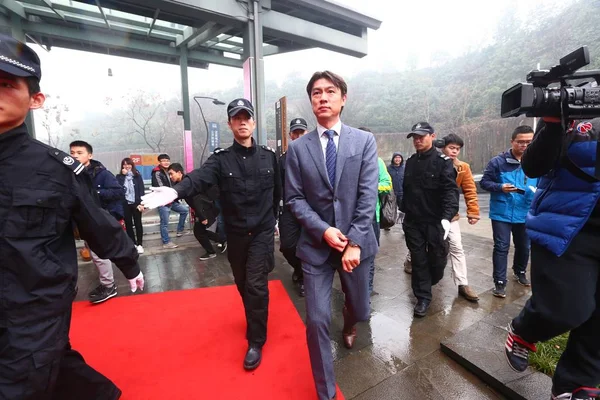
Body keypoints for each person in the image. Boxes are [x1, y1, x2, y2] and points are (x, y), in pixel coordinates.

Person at [0, 34, 144, 399]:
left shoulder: (57, 170)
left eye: (5, 85)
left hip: (33, 313)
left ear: (35, 99)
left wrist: (130, 263)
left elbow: (98, 224)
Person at [142, 98, 280, 371]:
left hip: (262, 232)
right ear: (230, 124)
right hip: (237, 234)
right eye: (236, 118)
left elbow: (278, 192)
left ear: (253, 122)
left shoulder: (269, 157)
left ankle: (256, 339)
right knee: (242, 284)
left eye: (246, 117)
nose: (242, 122)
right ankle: (255, 313)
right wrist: (175, 191)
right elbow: (198, 178)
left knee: (255, 285)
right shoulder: (220, 160)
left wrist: (276, 219)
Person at [285, 71, 379, 400]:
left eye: (330, 91)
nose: (322, 97)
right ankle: (325, 393)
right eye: (315, 93)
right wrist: (323, 230)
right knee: (316, 320)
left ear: (343, 98)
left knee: (360, 310)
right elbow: (294, 199)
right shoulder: (298, 149)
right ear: (311, 101)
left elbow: (368, 196)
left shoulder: (363, 141)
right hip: (316, 248)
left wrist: (354, 241)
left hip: (356, 247)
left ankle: (351, 323)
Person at [503, 118, 600, 400]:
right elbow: (533, 165)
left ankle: (576, 384)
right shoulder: (580, 101)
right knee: (566, 308)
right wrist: (554, 123)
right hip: (569, 224)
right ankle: (525, 329)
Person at [401, 122, 459, 317]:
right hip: (413, 221)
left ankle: (430, 279)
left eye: (421, 136)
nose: (417, 140)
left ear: (432, 136)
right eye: (415, 137)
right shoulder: (410, 162)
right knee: (418, 260)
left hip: (435, 221)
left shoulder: (443, 162)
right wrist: (403, 209)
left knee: (437, 260)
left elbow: (450, 191)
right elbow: (406, 189)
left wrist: (446, 217)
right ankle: (423, 297)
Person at [480, 125, 538, 298]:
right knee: (501, 246)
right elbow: (484, 182)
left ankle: (520, 271)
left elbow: (545, 184)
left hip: (525, 211)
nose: (524, 145)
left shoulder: (538, 161)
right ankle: (499, 282)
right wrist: (500, 187)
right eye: (520, 142)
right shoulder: (497, 162)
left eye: (529, 142)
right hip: (502, 212)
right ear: (512, 141)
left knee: (524, 246)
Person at [70, 140, 126, 304]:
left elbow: (118, 192)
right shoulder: (69, 173)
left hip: (98, 219)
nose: (75, 156)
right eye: (72, 153)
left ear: (90, 155)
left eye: (79, 153)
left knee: (99, 254)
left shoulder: (101, 173)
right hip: (78, 219)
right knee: (93, 255)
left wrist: (94, 193)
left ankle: (109, 286)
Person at [437, 134, 481, 302]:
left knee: (456, 247)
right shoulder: (434, 163)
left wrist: (473, 212)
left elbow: (470, 190)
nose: (454, 151)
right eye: (451, 148)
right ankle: (411, 260)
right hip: (431, 215)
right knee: (425, 244)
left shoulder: (463, 168)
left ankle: (462, 283)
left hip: (451, 216)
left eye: (457, 149)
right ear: (443, 147)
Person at [167, 163, 227, 260]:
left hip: (204, 210)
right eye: (169, 174)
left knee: (199, 232)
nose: (170, 176)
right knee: (201, 232)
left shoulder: (189, 184)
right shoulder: (181, 184)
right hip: (202, 210)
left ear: (179, 172)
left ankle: (212, 251)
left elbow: (197, 200)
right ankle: (223, 240)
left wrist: (202, 217)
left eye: (171, 174)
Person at [358, 127, 392, 294]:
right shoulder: (347, 160)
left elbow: (387, 184)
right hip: (351, 216)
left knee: (370, 255)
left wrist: (370, 187)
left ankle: (368, 289)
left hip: (373, 216)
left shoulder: (377, 162)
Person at [279, 117, 308, 297]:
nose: (298, 135)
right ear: (290, 135)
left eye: (301, 132)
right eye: (295, 132)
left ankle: (305, 277)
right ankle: (299, 268)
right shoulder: (282, 159)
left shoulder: (315, 156)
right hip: (289, 209)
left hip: (310, 209)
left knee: (309, 245)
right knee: (287, 246)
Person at [151, 153, 189, 249]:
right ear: (159, 162)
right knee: (164, 223)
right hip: (163, 201)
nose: (166, 162)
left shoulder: (170, 171)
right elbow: (161, 187)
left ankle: (180, 230)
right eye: (163, 160)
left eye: (167, 160)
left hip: (172, 200)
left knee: (184, 210)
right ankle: (166, 242)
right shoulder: (157, 173)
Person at [116, 157, 146, 254]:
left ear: (132, 165)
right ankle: (133, 244)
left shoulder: (137, 176)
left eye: (128, 164)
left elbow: (141, 189)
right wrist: (123, 176)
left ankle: (140, 244)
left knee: (138, 223)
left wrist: (141, 203)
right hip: (125, 204)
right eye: (124, 164)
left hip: (136, 203)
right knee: (128, 224)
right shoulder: (119, 177)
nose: (126, 166)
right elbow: (119, 189)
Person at [387, 152, 405, 227]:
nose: (397, 159)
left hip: (402, 192)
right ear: (393, 159)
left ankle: (404, 225)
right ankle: (387, 224)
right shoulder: (388, 168)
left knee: (404, 210)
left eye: (399, 158)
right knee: (390, 210)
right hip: (392, 193)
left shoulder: (404, 168)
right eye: (396, 157)